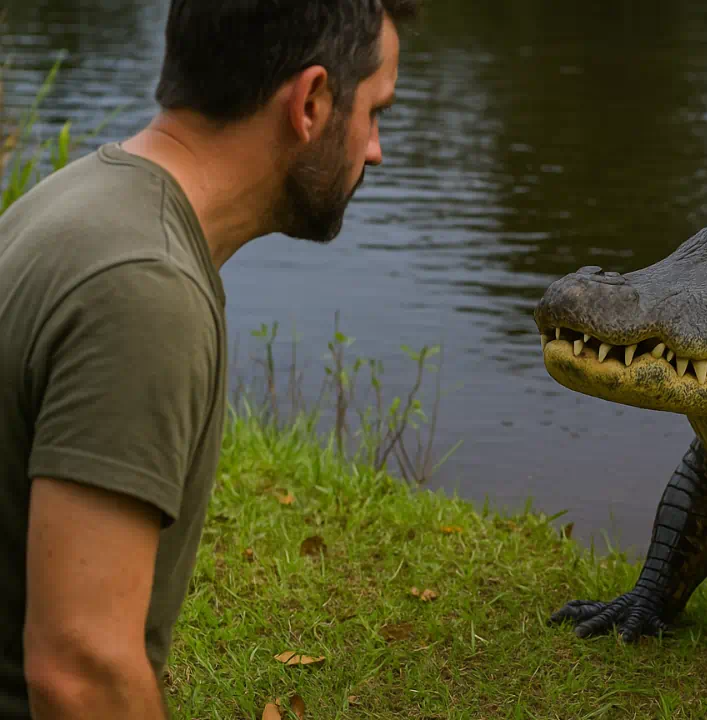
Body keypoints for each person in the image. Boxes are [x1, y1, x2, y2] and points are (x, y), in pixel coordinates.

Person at [0, 1, 419, 717]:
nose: (375, 148)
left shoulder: (76, 200)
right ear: (313, 102)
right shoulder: (144, 287)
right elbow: (79, 672)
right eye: (375, 110)